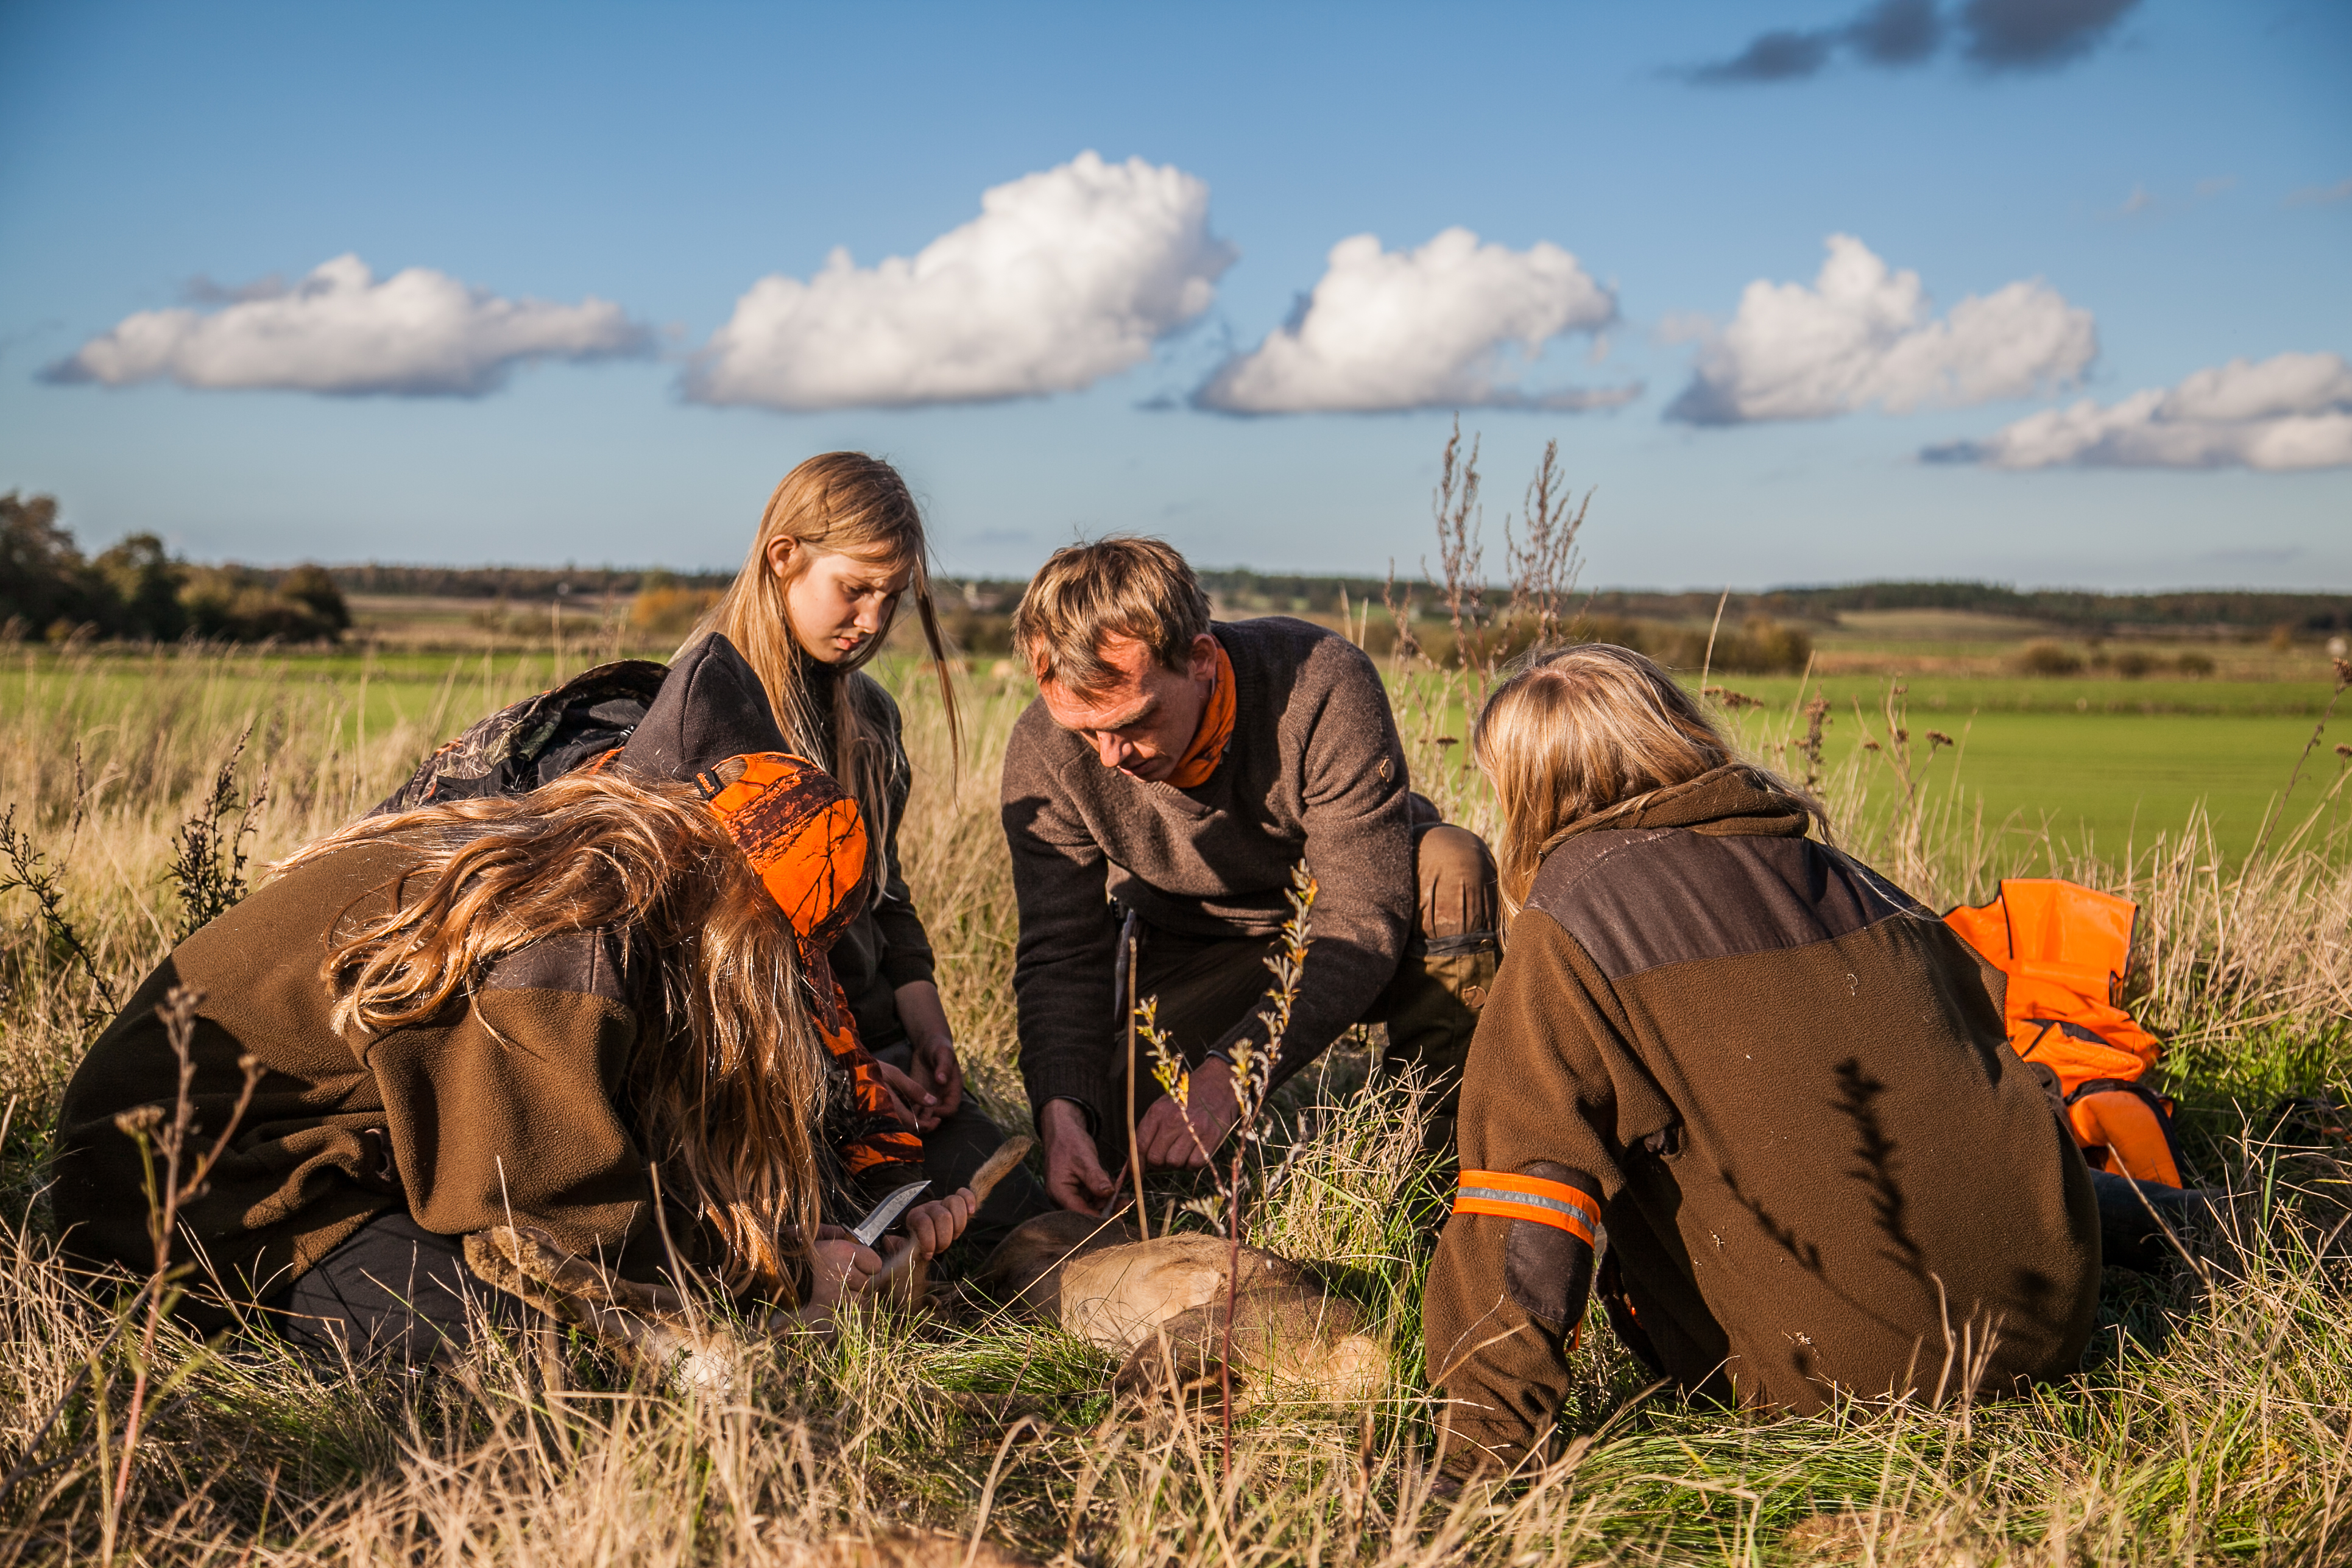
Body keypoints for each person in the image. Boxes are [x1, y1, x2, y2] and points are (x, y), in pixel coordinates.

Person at [50, 750, 976, 1367]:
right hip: (186, 1200)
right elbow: (545, 1218)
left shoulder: (604, 867)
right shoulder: (573, 933)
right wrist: (768, 1268)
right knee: (538, 1358)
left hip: (299, 1158)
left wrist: (791, 1238)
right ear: (740, 924)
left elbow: (594, 1140)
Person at [1421, 645, 2100, 1472]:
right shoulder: (1860, 883)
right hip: (2054, 1319)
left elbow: (1522, 1211)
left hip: (1843, 1381)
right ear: (1680, 731)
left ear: (1526, 788)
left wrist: (1469, 1474)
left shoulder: (1572, 921)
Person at [1000, 536, 1500, 1215]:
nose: (1111, 756)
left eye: (1135, 721)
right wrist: (1061, 1115)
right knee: (1114, 1142)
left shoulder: (1322, 683)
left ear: (1201, 660)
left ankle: (1434, 1173)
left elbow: (1361, 916)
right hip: (1191, 948)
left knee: (1451, 864)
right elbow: (1062, 950)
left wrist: (1230, 1078)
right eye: (1086, 731)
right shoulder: (1045, 747)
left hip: (1350, 925)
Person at [688, 452, 1050, 1246]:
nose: (873, 620)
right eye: (855, 589)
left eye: (892, 598)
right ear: (784, 556)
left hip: (879, 1055)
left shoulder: (872, 718)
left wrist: (928, 1031)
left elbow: (884, 893)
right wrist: (840, 1081)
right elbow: (710, 965)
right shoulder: (696, 714)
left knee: (1023, 1223)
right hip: (765, 1072)